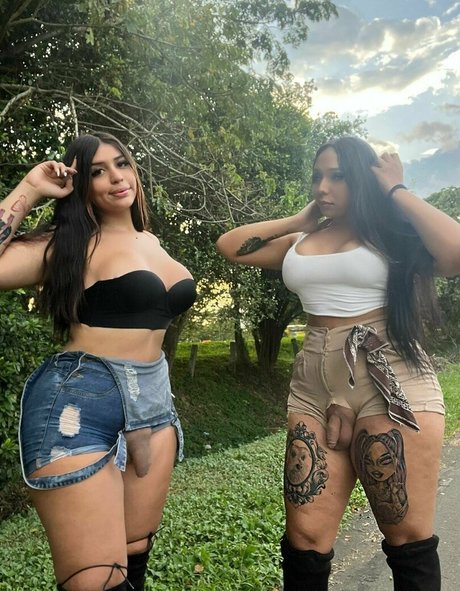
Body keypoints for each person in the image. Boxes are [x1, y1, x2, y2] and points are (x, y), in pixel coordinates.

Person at [216, 135, 460, 591]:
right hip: (314, 382)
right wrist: (299, 219)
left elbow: (456, 251)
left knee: (406, 536)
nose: (323, 187)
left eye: (338, 176)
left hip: (388, 377)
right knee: (305, 540)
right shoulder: (302, 240)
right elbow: (230, 246)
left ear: (365, 180)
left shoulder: (391, 234)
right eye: (317, 176)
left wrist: (396, 190)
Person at [0, 132, 197, 591]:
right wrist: (31, 187)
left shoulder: (152, 242)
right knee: (97, 582)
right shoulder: (68, 246)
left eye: (121, 164)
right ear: (80, 185)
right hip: (78, 405)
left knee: (135, 556)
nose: (115, 177)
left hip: (154, 406)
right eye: (97, 172)